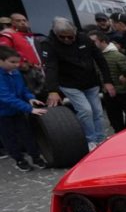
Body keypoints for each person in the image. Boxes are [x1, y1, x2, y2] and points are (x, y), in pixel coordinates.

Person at [40, 17, 113, 149]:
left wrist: (107, 81)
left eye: (70, 37)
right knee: (85, 110)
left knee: (97, 111)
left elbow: (100, 59)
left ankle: (101, 138)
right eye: (62, 37)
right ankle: (90, 140)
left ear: (74, 32)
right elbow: (50, 68)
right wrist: (53, 90)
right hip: (69, 83)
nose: (66, 39)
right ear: (56, 34)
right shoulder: (49, 44)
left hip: (90, 81)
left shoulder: (84, 38)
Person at [0, 45, 48, 172]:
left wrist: (30, 98)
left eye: (18, 62)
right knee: (9, 138)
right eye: (12, 62)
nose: (17, 65)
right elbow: (6, 97)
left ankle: (36, 157)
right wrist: (29, 108)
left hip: (18, 110)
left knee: (27, 134)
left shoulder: (16, 73)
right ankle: (19, 160)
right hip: (3, 114)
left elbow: (23, 89)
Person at [88, 31, 126, 132]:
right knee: (115, 120)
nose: (91, 44)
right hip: (108, 93)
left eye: (93, 41)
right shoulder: (95, 57)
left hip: (124, 93)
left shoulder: (117, 56)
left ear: (102, 41)